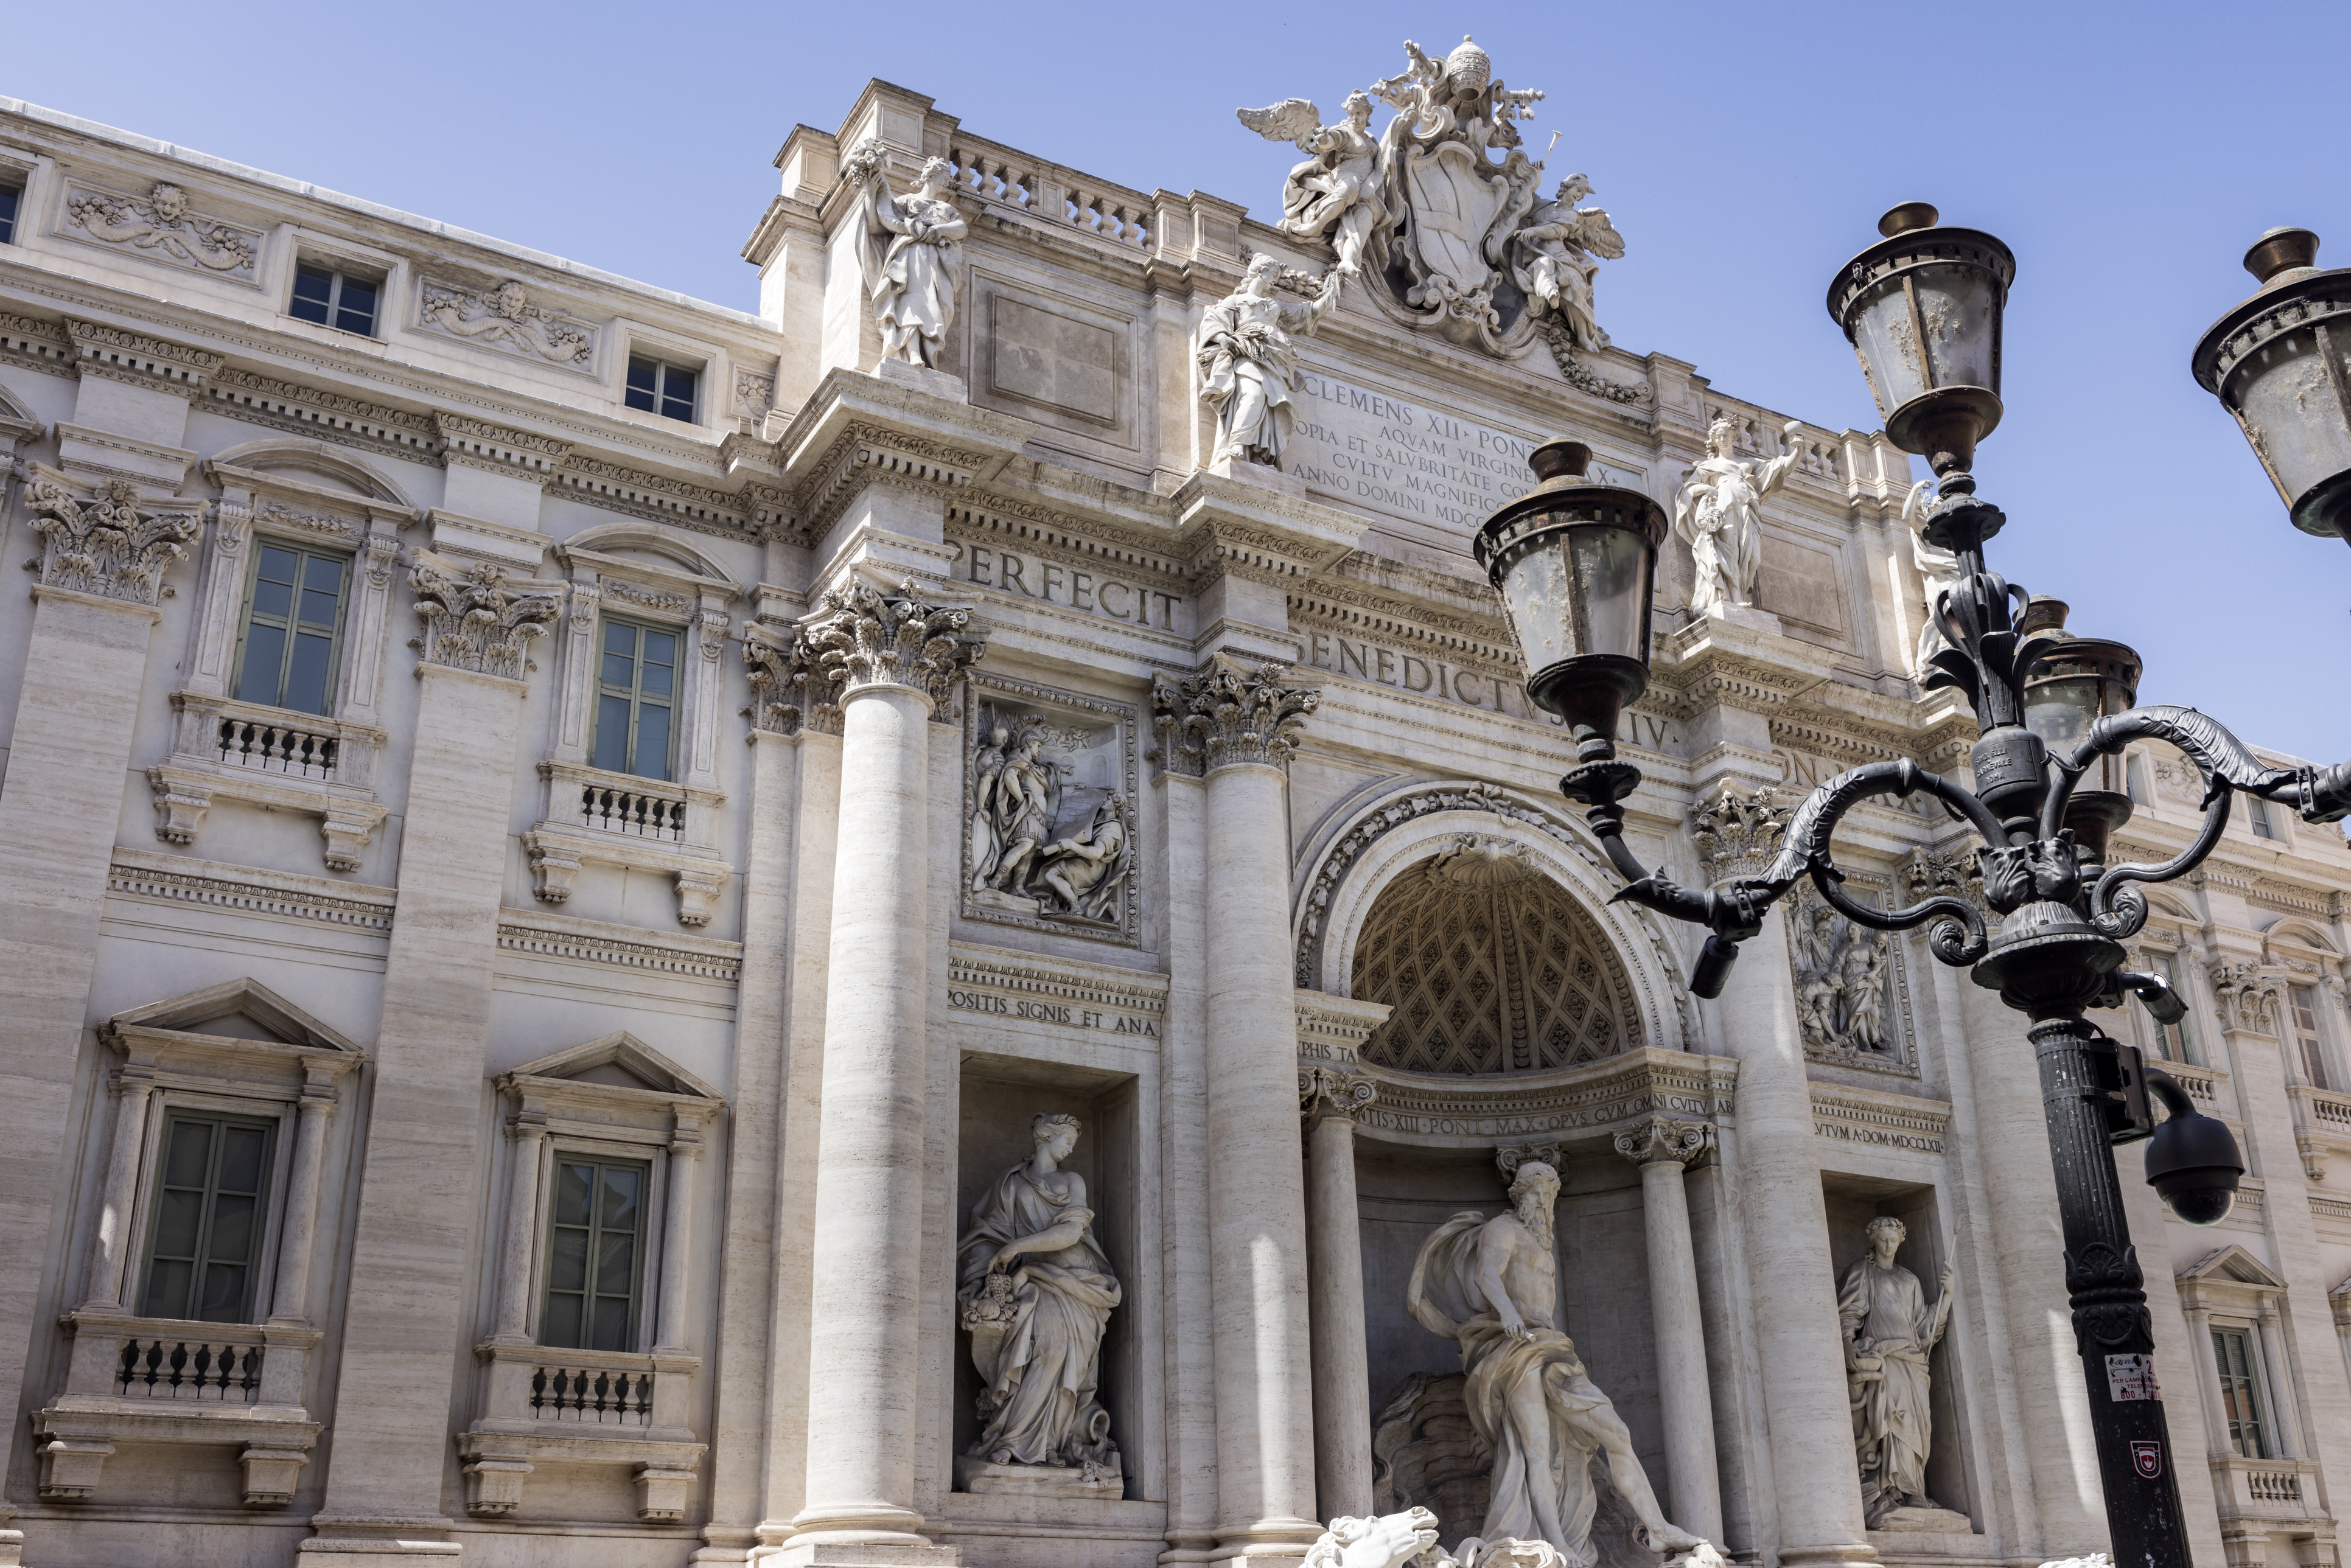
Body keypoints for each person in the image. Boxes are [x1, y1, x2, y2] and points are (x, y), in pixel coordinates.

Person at [1407, 1159, 1705, 1564]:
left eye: (1550, 1194)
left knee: (1614, 1430)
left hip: (1551, 1348)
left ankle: (1656, 1526)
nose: (1545, 1201)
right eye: (1538, 1193)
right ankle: (1554, 1543)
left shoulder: (1542, 1241)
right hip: (1512, 1349)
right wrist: (1508, 1311)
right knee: (1535, 1451)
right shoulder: (1503, 1228)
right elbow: (1485, 1274)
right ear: (1520, 1194)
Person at [956, 1114, 1122, 1469]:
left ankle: (1049, 1442)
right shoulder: (1011, 1184)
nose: (1071, 1147)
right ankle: (1016, 1439)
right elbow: (988, 1234)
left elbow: (1070, 1234)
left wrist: (1016, 1249)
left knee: (1060, 1355)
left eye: (1075, 1142)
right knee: (1042, 1351)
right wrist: (989, 1270)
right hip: (1031, 1280)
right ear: (1045, 1138)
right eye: (1066, 1139)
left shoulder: (1071, 1180)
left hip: (1075, 1281)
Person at [1839, 1216, 1955, 1525]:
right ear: (1873, 1241)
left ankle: (1915, 1487)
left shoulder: (1910, 1280)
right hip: (1885, 1359)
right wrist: (1847, 1344)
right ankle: (1890, 1489)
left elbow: (1924, 1329)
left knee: (1918, 1428)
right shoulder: (1863, 1272)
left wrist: (1947, 1297)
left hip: (1913, 1362)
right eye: (1883, 1240)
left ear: (1901, 1241)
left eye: (1894, 1240)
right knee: (1892, 1422)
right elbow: (1849, 1311)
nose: (1889, 1245)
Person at [1198, 254, 1347, 467]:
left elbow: (1311, 312)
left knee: (1270, 402)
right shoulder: (1236, 301)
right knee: (1253, 394)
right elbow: (1212, 321)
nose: (1276, 280)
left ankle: (1257, 453)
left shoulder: (1275, 306)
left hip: (1275, 361)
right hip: (1247, 354)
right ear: (1260, 272)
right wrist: (1223, 338)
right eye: (1273, 274)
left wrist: (1335, 287)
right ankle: (1238, 442)